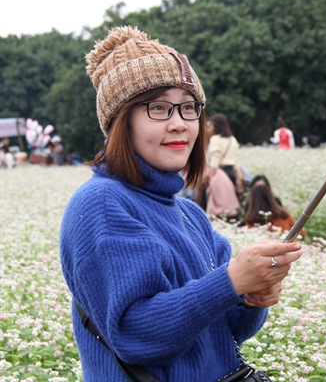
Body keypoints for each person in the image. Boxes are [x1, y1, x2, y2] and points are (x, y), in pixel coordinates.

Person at [59, 26, 303, 381]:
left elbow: (229, 330)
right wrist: (231, 281)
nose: (179, 124)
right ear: (119, 123)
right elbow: (134, 334)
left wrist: (252, 296)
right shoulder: (101, 204)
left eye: (189, 108)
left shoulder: (188, 213)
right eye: (158, 108)